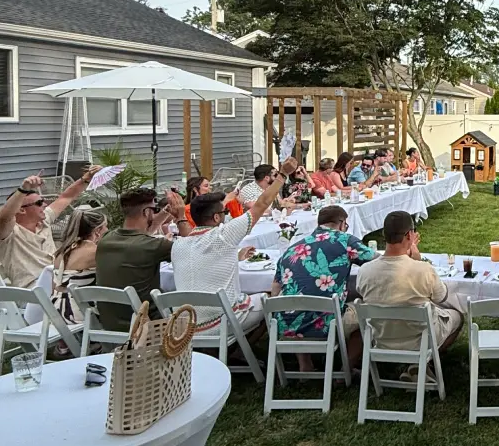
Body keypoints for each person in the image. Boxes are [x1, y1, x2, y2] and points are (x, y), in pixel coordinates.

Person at [171, 157, 298, 335]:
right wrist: (283, 174)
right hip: (222, 322)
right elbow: (262, 204)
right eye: (224, 212)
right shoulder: (224, 236)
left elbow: (200, 252)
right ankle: (246, 353)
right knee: (272, 297)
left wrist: (236, 255)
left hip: (186, 328)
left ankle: (236, 352)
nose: (226, 214)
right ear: (216, 218)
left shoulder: (178, 245)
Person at [356, 210, 464, 380]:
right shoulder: (422, 269)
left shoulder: (364, 271)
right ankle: (420, 364)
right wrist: (416, 262)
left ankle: (414, 366)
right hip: (420, 338)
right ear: (409, 235)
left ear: (384, 235)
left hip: (382, 337)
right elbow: (441, 297)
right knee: (457, 316)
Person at [271, 205, 378, 370]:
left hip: (286, 326)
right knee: (367, 311)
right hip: (324, 326)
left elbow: (276, 288)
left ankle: (304, 364)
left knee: (300, 301)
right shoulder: (344, 240)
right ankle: (346, 368)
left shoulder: (293, 248)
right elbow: (379, 262)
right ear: (342, 223)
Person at [95, 187, 190, 330]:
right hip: (148, 326)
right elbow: (194, 250)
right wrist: (181, 216)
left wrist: (164, 211)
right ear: (146, 212)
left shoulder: (106, 240)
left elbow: (140, 235)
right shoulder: (154, 246)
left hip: (110, 323)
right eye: (154, 209)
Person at [0, 166, 100, 288]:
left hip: (58, 281)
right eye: (39, 203)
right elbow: (4, 217)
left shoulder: (45, 219)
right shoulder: (9, 233)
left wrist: (87, 178)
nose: (45, 204)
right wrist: (23, 189)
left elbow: (66, 197)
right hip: (33, 290)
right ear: (21, 210)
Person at [50, 208, 107, 323]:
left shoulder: (61, 253)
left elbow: (54, 287)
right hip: (80, 315)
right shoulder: (96, 252)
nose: (107, 230)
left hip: (56, 314)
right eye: (106, 226)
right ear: (98, 230)